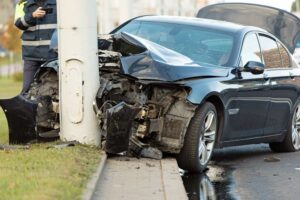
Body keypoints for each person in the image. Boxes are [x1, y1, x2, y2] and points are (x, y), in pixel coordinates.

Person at [14, 0, 57, 94]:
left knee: (52, 89)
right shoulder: (22, 4)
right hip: (31, 55)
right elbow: (18, 23)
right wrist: (32, 15)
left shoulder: (58, 3)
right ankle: (25, 108)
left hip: (52, 55)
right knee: (27, 90)